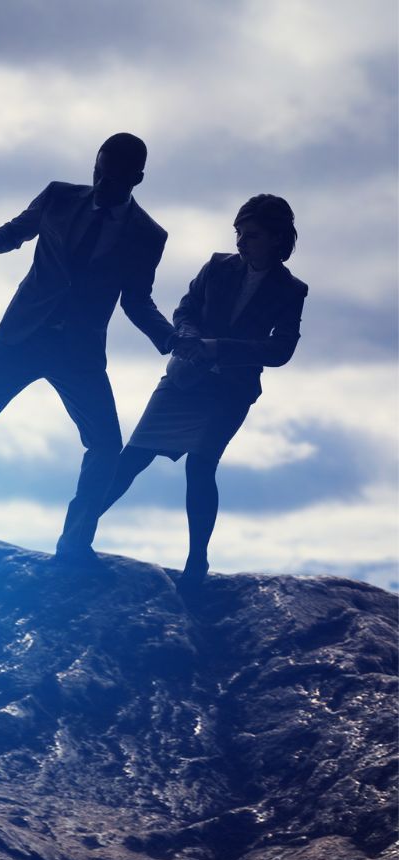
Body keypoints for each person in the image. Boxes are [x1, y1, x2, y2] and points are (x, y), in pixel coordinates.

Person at [0, 133, 190, 562]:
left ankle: (74, 546)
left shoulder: (149, 235)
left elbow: (137, 300)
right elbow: (15, 231)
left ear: (137, 178)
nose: (101, 182)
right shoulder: (58, 196)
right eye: (98, 171)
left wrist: (170, 339)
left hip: (79, 352)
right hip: (21, 336)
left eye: (113, 177)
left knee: (106, 446)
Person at [95, 195, 306, 596]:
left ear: (278, 239)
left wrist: (218, 348)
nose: (242, 242)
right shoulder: (216, 265)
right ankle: (77, 533)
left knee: (201, 466)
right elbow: (185, 309)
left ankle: (196, 563)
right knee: (132, 458)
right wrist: (190, 336)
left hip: (230, 391)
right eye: (239, 233)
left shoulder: (291, 290)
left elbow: (281, 350)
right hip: (184, 379)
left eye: (252, 235)